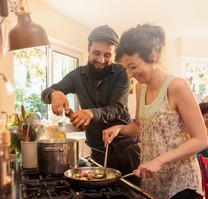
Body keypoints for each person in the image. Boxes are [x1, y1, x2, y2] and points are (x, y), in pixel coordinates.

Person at [102, 24, 207, 199]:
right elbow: (141, 127)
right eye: (126, 69)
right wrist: (119, 128)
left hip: (181, 184)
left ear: (152, 55)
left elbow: (200, 140)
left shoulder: (177, 86)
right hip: (152, 184)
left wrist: (159, 161)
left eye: (133, 66)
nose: (130, 75)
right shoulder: (141, 89)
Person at [41, 25, 140, 180]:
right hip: (98, 153)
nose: (101, 60)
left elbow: (118, 108)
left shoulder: (122, 72)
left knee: (133, 197)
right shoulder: (76, 76)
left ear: (114, 55)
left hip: (127, 151)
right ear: (88, 50)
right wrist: (55, 93)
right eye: (96, 53)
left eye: (107, 55)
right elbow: (46, 92)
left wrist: (91, 112)